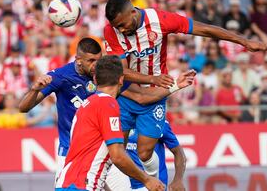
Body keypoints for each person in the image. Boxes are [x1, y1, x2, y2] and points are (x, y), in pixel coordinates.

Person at [104, 0, 267, 177]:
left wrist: (244, 41)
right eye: (117, 26)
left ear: (133, 12)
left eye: (123, 24)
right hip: (130, 91)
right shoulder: (111, 32)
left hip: (155, 92)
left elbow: (204, 29)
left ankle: (152, 182)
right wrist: (152, 79)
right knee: (116, 152)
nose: (121, 29)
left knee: (144, 153)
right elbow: (121, 71)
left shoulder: (160, 20)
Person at [19, 37, 195, 189]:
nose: (96, 65)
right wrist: (34, 90)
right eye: (91, 61)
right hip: (71, 153)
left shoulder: (105, 75)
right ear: (78, 59)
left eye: (98, 59)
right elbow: (24, 107)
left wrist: (175, 85)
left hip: (104, 153)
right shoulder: (60, 76)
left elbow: (142, 96)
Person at [55, 55, 165, 191]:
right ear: (121, 80)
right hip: (82, 186)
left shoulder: (86, 105)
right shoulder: (108, 103)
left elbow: (88, 158)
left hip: (67, 183)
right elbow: (117, 156)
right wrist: (147, 179)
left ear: (95, 79)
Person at [126, 121, 186, 191]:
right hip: (128, 185)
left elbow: (178, 152)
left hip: (156, 184)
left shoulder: (159, 122)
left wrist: (178, 180)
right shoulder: (123, 121)